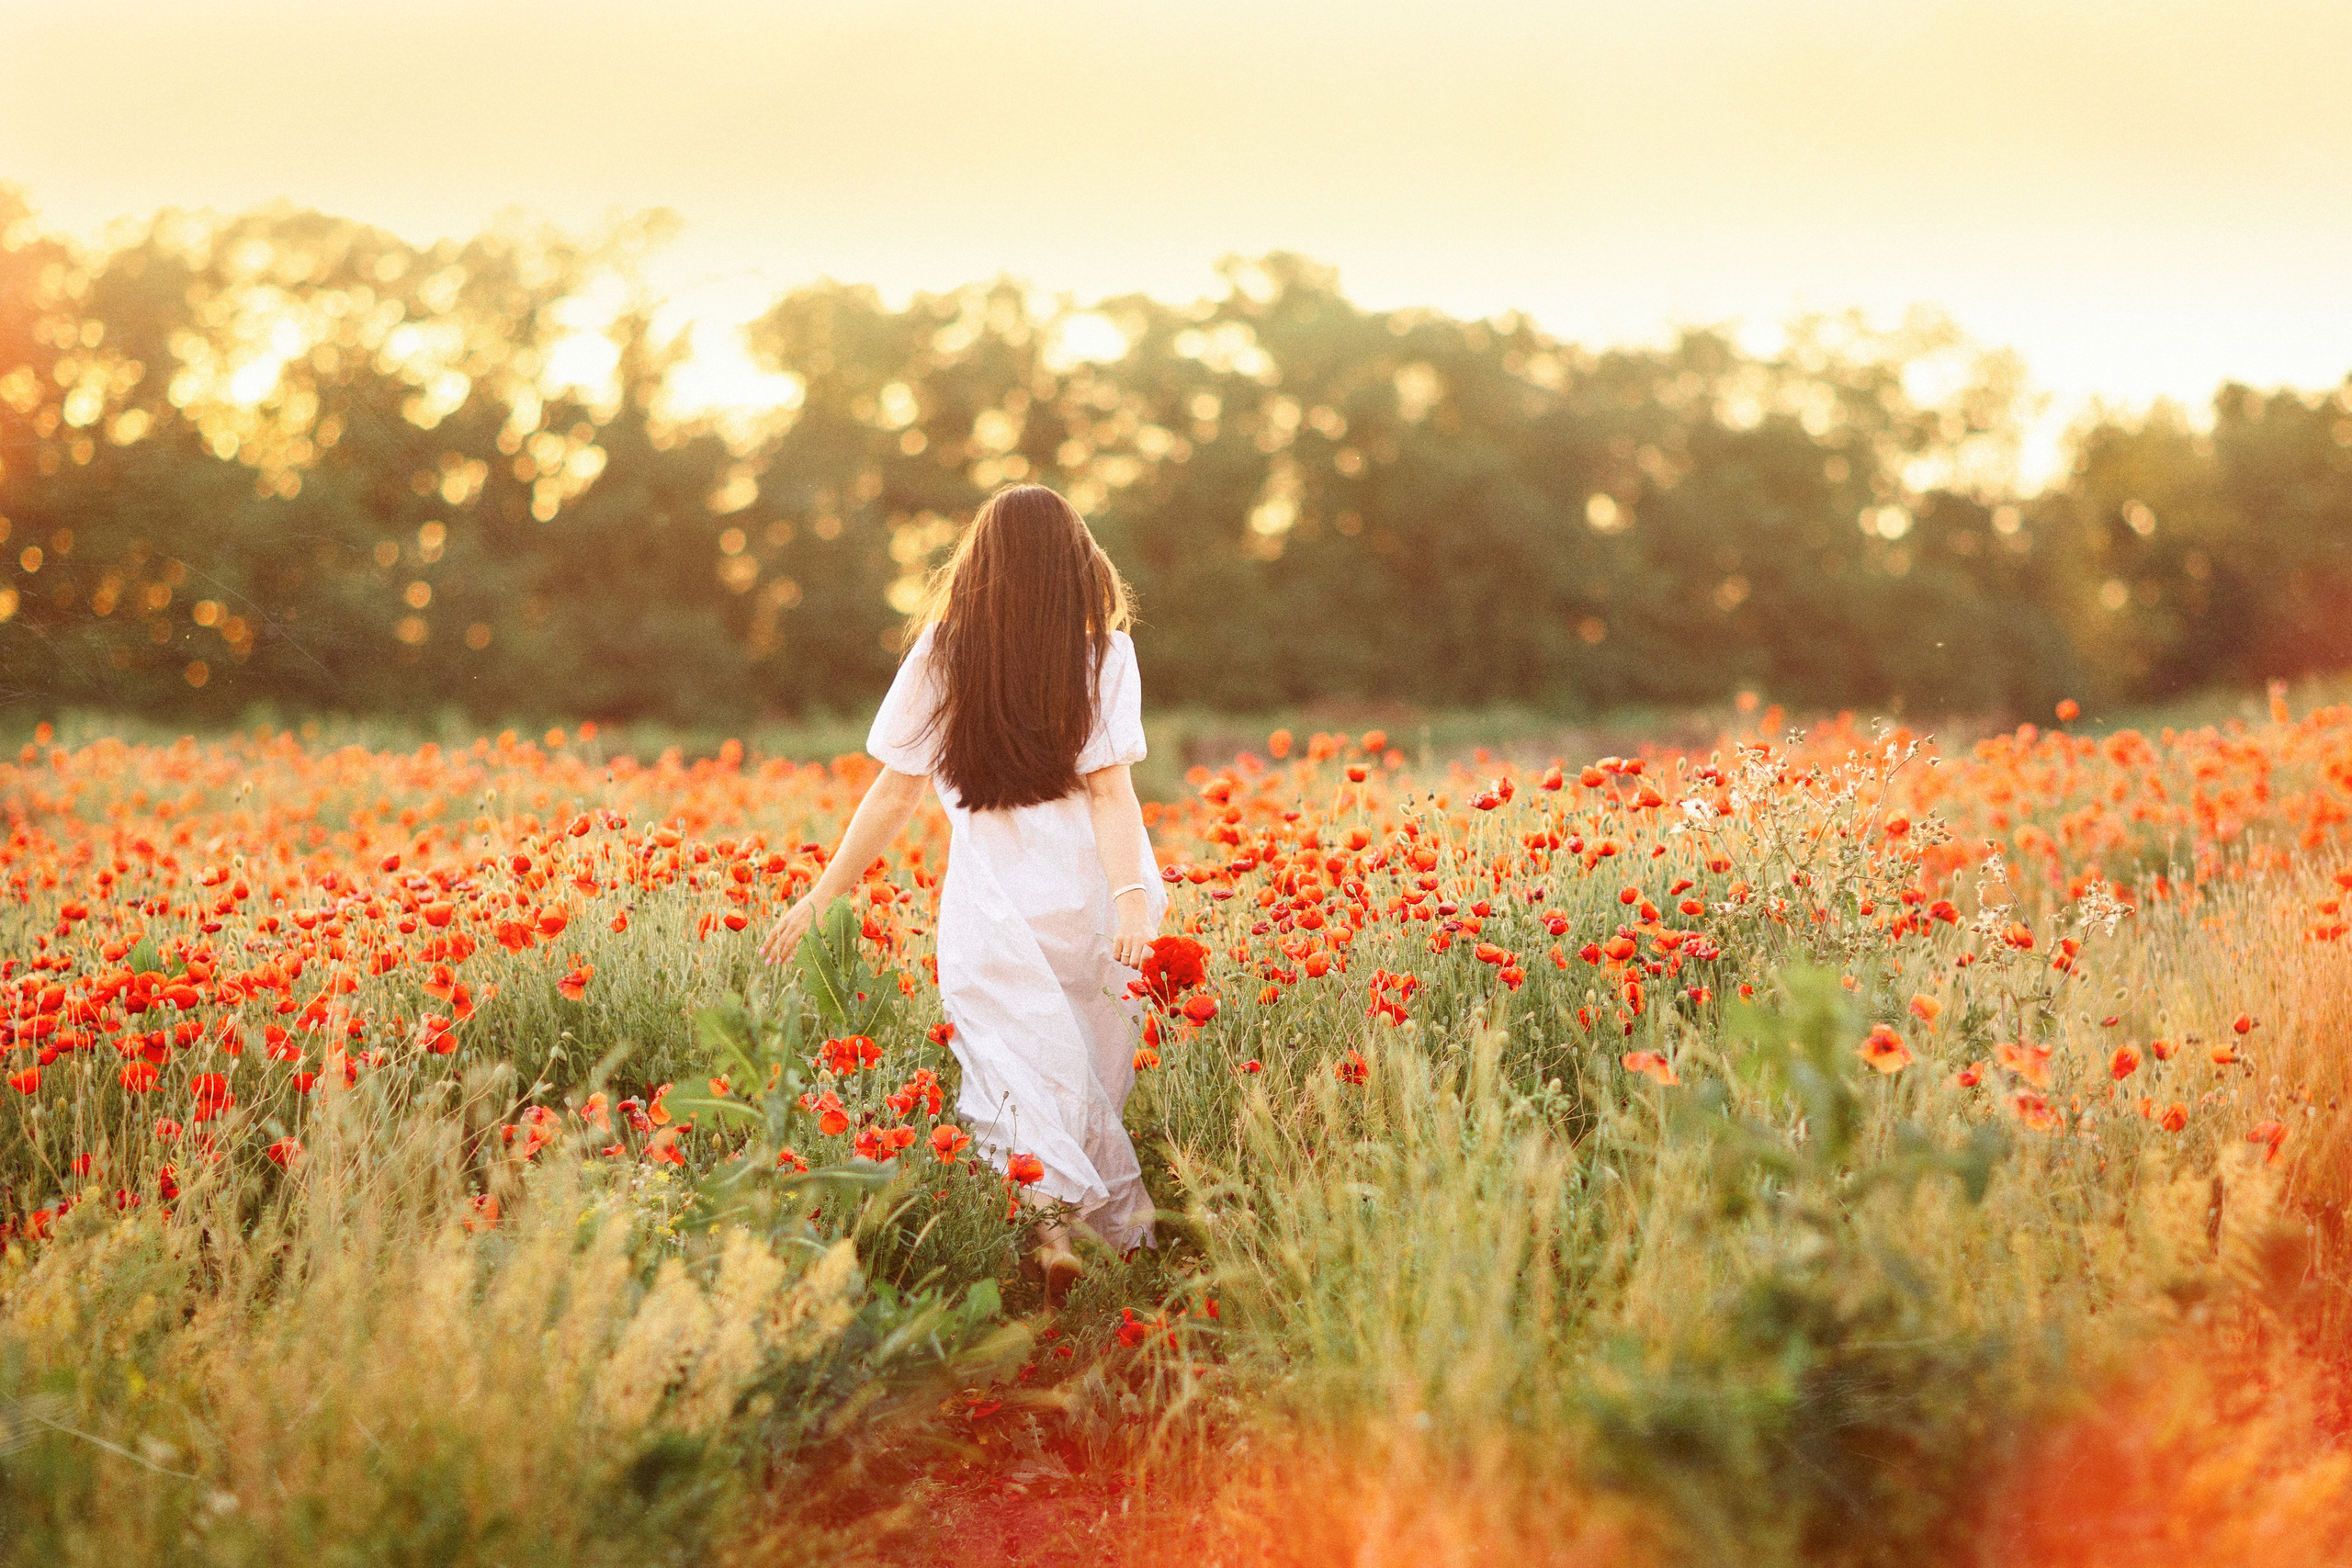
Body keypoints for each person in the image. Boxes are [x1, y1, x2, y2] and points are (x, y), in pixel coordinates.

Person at [757, 484, 1169, 1306]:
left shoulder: (944, 653)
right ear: (1071, 567)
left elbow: (894, 794)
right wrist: (1130, 900)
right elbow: (1113, 793)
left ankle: (1050, 1228)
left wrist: (823, 894)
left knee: (1006, 1077)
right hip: (1088, 903)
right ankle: (1098, 1247)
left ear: (980, 566)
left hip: (993, 911)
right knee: (1084, 1074)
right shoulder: (1105, 656)